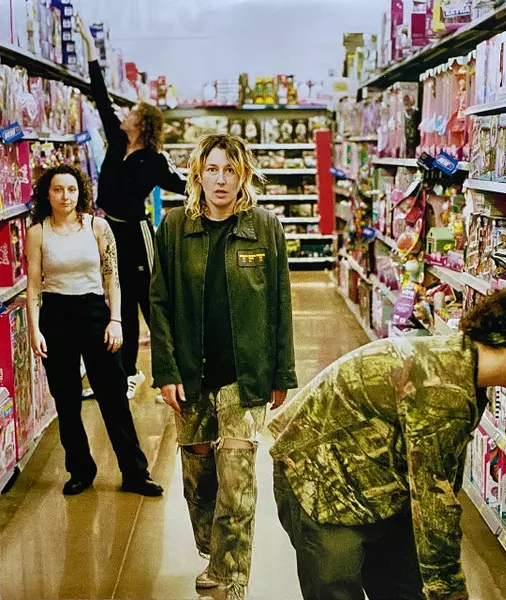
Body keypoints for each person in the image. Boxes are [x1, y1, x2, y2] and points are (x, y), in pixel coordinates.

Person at [269, 286, 506, 600]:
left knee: (404, 587)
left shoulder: (464, 362)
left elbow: (438, 486)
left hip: (379, 480)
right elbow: (434, 504)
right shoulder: (444, 388)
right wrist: (450, 594)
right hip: (316, 476)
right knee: (337, 591)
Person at [150, 133, 297, 600]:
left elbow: (281, 302)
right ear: (198, 174)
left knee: (237, 481)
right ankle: (213, 549)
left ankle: (230, 577)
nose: (220, 179)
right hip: (191, 374)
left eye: (230, 170)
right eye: (212, 169)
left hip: (245, 374)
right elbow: (160, 302)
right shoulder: (175, 227)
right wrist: (166, 370)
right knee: (200, 479)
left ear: (243, 175)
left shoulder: (264, 227)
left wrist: (282, 372)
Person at [25, 164, 163, 498]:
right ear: (47, 194)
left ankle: (135, 473)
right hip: (55, 316)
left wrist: (116, 320)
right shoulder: (38, 232)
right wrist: (34, 329)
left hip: (93, 313)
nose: (65, 196)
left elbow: (112, 277)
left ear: (81, 192)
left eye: (71, 189)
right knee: (66, 399)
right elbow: (33, 286)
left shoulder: (97, 227)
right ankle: (80, 471)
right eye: (58, 190)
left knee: (113, 394)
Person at [77, 16, 187, 399]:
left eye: (131, 113)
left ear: (141, 124)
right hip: (109, 230)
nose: (123, 115)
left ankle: (175, 373)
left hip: (138, 234)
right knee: (118, 303)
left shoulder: (154, 161)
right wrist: (90, 49)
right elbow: (100, 94)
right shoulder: (116, 138)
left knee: (150, 303)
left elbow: (184, 185)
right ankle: (128, 374)